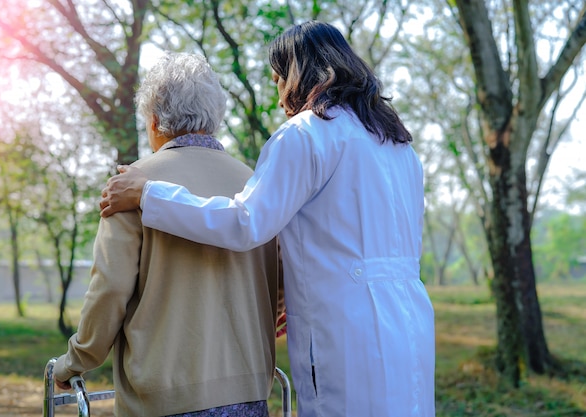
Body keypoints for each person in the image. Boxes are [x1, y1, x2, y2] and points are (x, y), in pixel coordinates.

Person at [100, 21, 435, 417]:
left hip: (348, 333)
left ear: (303, 73)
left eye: (278, 79)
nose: (279, 98)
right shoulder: (397, 144)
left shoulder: (307, 134)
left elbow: (245, 222)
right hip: (411, 325)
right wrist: (287, 291)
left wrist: (149, 194)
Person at [54, 51, 281, 417]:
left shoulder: (129, 186)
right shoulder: (257, 185)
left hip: (163, 398)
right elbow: (281, 282)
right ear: (215, 117)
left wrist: (76, 360)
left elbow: (109, 289)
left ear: (155, 120)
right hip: (249, 392)